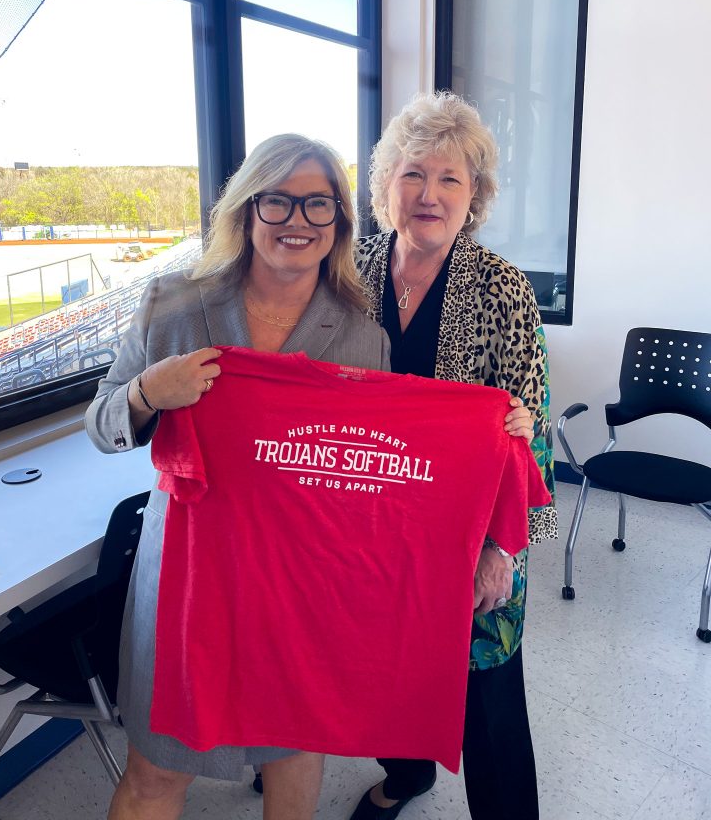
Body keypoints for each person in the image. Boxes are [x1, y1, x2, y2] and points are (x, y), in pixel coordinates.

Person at [85, 133, 389, 820]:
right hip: (188, 581)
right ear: (247, 211)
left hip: (303, 580)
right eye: (277, 201)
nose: (297, 221)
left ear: (339, 222)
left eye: (318, 205)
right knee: (157, 771)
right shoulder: (170, 303)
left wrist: (494, 434)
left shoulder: (362, 337)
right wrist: (146, 394)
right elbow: (100, 425)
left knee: (294, 753)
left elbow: (375, 470)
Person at [349, 91, 557, 820]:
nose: (429, 194)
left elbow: (528, 440)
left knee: (486, 684)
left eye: (449, 179)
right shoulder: (353, 272)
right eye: (413, 174)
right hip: (380, 526)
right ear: (386, 188)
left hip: (476, 528)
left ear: (473, 197)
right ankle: (406, 774)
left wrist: (503, 549)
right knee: (392, 665)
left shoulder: (501, 286)